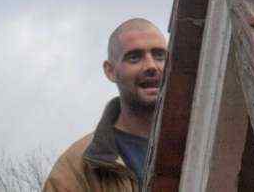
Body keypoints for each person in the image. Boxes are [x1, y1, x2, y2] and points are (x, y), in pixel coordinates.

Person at [43, 18, 168, 192]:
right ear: (110, 71)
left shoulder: (202, 145)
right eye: (134, 58)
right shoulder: (78, 166)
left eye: (159, 56)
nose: (151, 66)